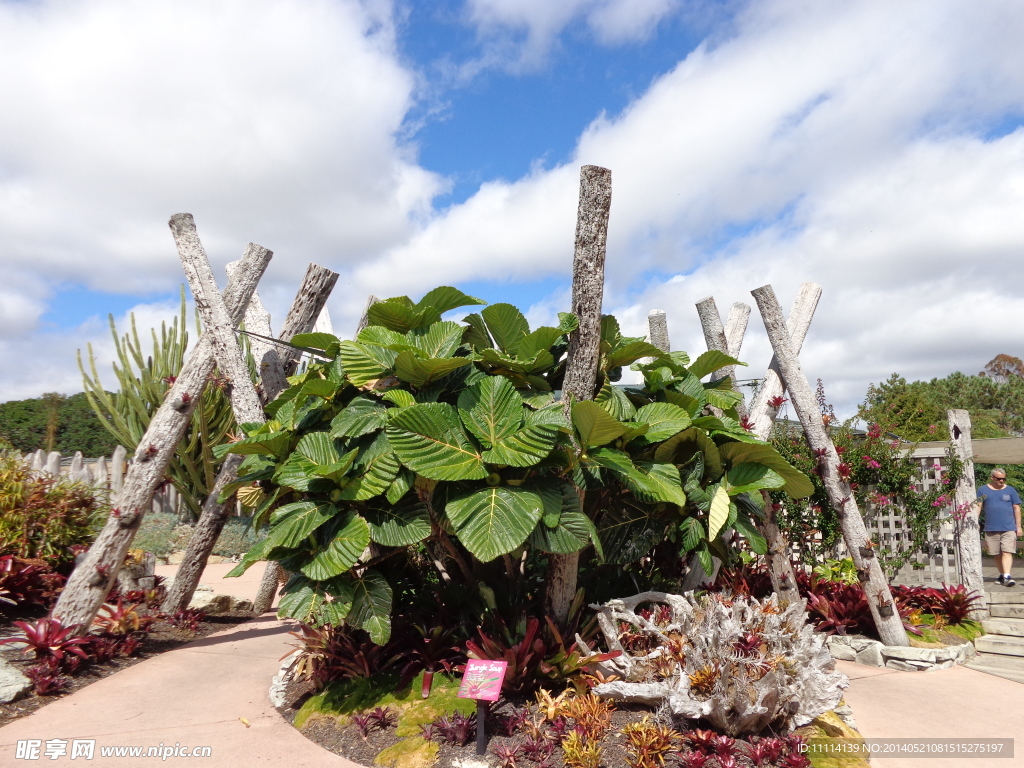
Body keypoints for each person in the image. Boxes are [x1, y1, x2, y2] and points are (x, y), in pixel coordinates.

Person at [978, 468, 1023, 587]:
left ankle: (1007, 576)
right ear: (992, 477)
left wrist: (1019, 527)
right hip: (991, 528)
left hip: (1008, 527)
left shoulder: (1010, 490)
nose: (1001, 481)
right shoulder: (982, 490)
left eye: (1003, 478)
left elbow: (1017, 508)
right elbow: (978, 506)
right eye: (999, 479)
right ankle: (1002, 575)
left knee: (1007, 551)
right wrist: (975, 521)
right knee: (996, 554)